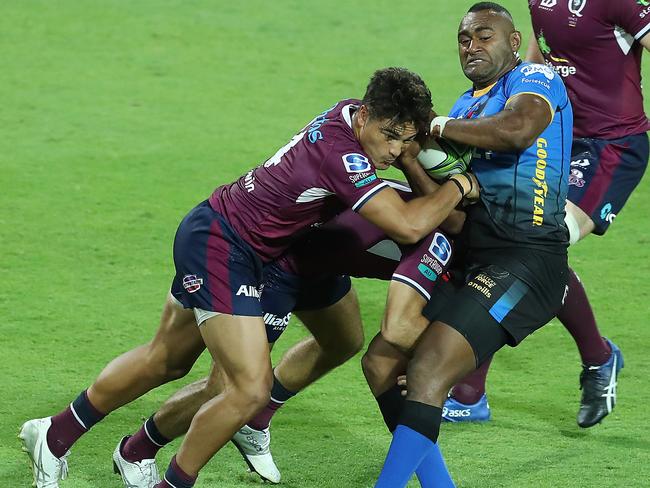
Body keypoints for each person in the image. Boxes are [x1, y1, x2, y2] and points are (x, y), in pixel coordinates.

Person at [20, 67, 478, 488]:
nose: (396, 151)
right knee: (244, 387)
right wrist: (458, 185)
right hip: (223, 247)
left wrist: (414, 151)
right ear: (367, 115)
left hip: (250, 242)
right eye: (390, 137)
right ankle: (150, 471)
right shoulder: (342, 157)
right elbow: (408, 226)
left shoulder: (349, 113)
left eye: (406, 141)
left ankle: (58, 433)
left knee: (173, 360)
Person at [111, 181, 462, 487]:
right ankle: (137, 449)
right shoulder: (439, 241)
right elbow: (400, 327)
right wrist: (434, 366)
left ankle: (257, 419)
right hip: (277, 265)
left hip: (324, 266)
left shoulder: (449, 226)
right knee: (228, 389)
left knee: (343, 341)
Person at [374, 3, 573, 486]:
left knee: (427, 372)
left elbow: (517, 130)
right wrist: (408, 158)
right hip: (475, 258)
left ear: (513, 40)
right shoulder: (467, 107)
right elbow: (456, 216)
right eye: (464, 39)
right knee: (382, 362)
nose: (472, 47)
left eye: (484, 37)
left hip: (527, 263)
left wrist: (432, 127)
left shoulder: (535, 80)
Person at [447, 0, 650, 428]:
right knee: (499, 236)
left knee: (539, 243)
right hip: (556, 132)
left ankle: (595, 360)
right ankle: (473, 391)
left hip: (611, 147)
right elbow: (543, 56)